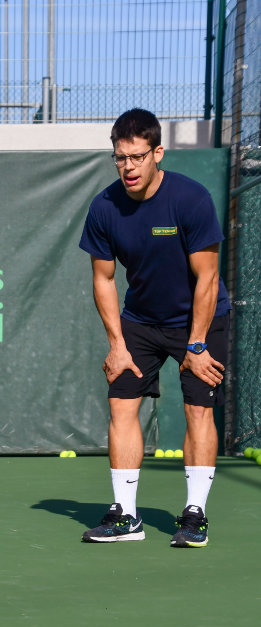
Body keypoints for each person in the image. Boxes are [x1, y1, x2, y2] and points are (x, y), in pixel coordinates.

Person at [79, 108, 230, 548]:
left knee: (198, 409)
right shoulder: (104, 207)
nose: (127, 166)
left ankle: (194, 514)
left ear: (157, 153)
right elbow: (104, 279)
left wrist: (197, 344)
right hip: (140, 321)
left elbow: (208, 276)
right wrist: (116, 344)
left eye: (137, 157)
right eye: (120, 157)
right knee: (121, 405)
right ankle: (126, 516)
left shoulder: (191, 199)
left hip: (198, 320)